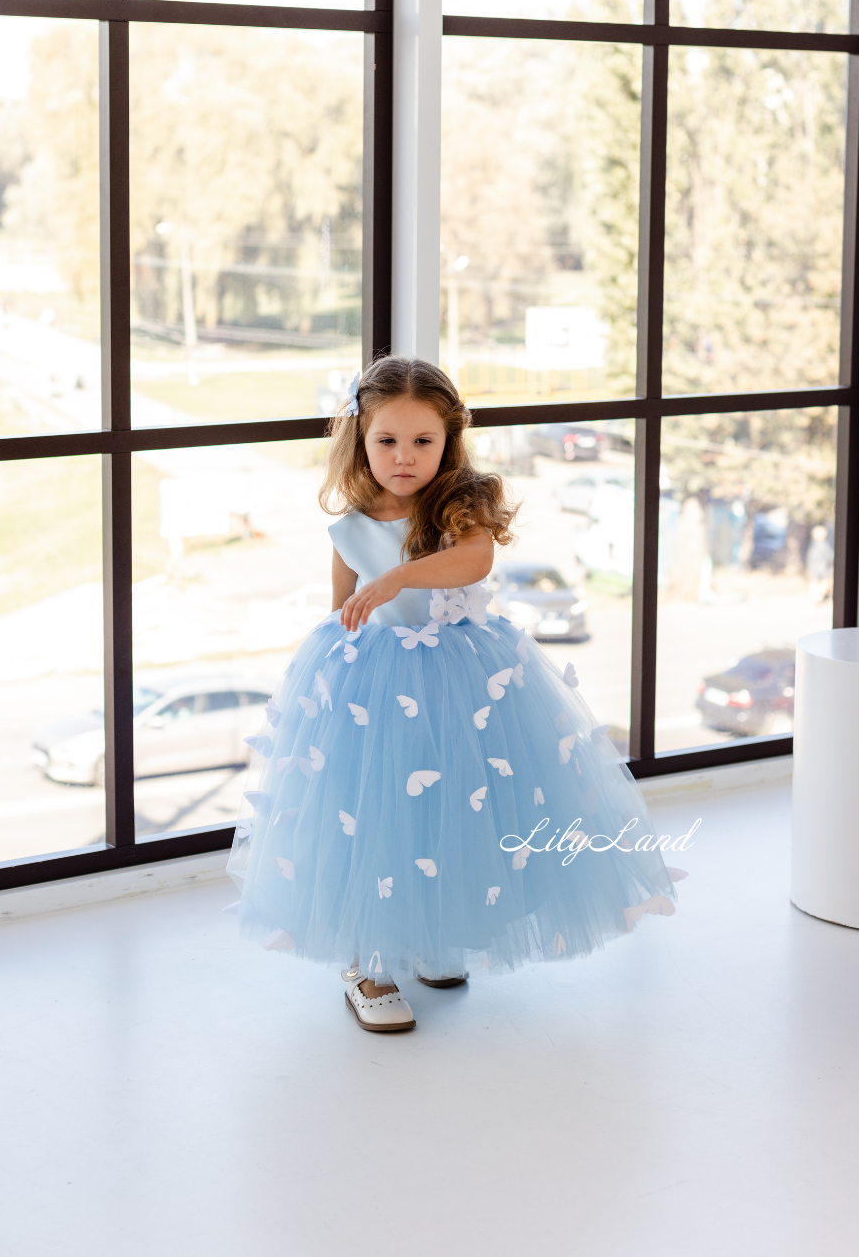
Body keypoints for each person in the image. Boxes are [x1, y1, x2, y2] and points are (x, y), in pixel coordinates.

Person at [226, 357, 679, 1033]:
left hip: (466, 678)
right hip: (371, 689)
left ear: (448, 441)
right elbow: (341, 607)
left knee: (448, 810)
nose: (404, 457)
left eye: (422, 441)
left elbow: (475, 560)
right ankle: (366, 962)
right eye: (387, 441)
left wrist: (397, 578)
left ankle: (430, 937)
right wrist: (349, 642)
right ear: (361, 438)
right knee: (370, 816)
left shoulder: (461, 504)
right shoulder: (350, 525)